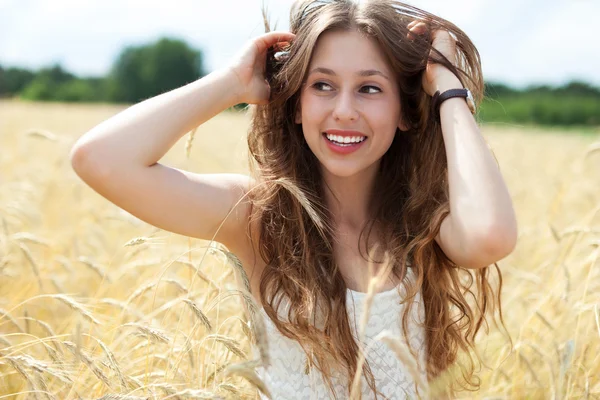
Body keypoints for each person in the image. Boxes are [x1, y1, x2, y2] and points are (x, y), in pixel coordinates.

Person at [70, 0, 518, 398]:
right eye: (322, 85)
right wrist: (231, 83)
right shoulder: (259, 216)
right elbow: (100, 160)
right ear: (296, 104)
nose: (344, 109)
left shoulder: (422, 222)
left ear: (404, 111)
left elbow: (490, 236)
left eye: (370, 88)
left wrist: (448, 88)